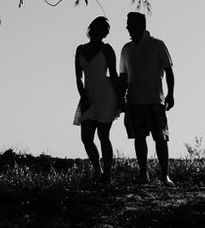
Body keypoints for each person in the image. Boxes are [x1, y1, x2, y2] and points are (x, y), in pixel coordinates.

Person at [117, 10, 175, 185]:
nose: (127, 27)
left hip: (155, 99)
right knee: (139, 138)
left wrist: (171, 94)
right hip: (134, 101)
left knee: (161, 139)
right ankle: (144, 174)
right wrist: (121, 98)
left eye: (130, 24)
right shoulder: (126, 49)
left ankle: (165, 176)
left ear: (141, 25)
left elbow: (169, 71)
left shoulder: (157, 44)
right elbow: (123, 77)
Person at [73, 15, 120, 182]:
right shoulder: (80, 49)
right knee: (86, 138)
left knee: (103, 135)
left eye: (106, 30)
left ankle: (106, 175)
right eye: (102, 28)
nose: (104, 32)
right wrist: (83, 95)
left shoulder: (107, 49)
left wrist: (121, 98)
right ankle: (97, 170)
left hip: (106, 95)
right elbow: (78, 77)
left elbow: (114, 74)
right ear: (93, 29)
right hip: (88, 95)